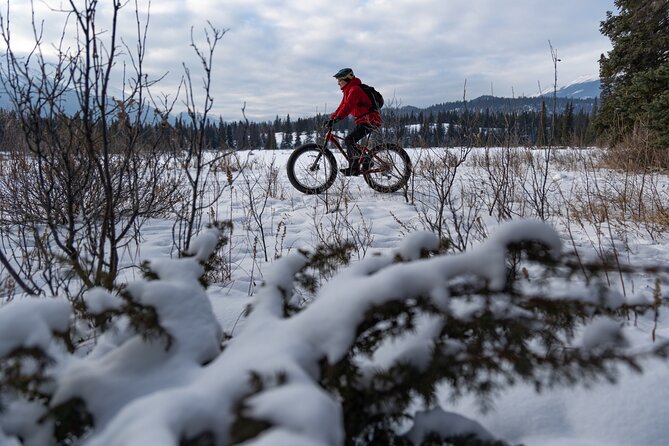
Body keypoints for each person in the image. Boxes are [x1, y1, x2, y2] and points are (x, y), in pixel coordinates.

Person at [325, 68, 382, 176]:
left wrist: (336, 119)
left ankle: (354, 167)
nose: (338, 83)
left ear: (347, 79)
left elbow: (347, 107)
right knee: (350, 141)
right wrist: (331, 119)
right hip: (364, 120)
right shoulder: (348, 91)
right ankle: (365, 161)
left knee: (349, 140)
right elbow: (341, 107)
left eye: (340, 80)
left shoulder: (355, 90)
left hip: (370, 120)